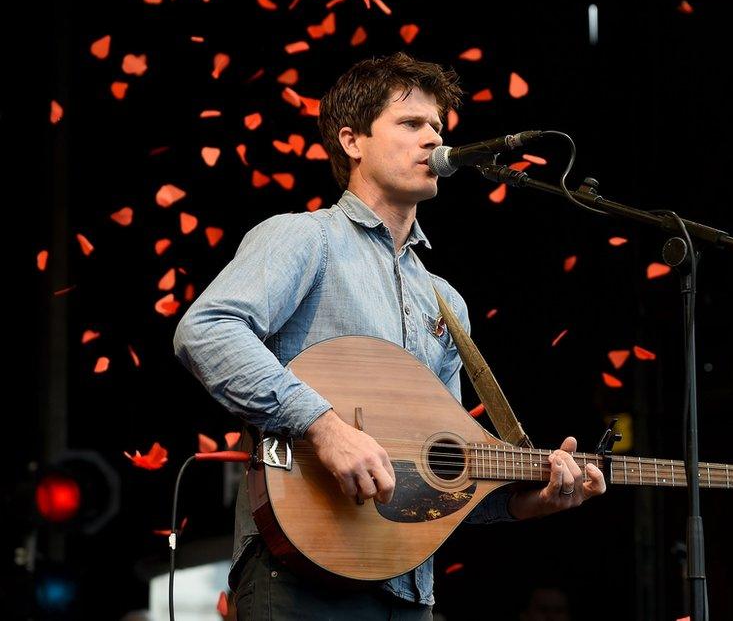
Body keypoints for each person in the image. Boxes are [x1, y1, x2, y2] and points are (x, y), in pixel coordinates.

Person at [172, 52, 606, 620]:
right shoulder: (305, 239)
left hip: (408, 590)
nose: (433, 139)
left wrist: (531, 502)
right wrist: (324, 426)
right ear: (351, 141)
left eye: (439, 128)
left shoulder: (445, 301)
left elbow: (441, 474)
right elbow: (205, 330)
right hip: (301, 571)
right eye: (411, 124)